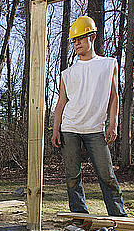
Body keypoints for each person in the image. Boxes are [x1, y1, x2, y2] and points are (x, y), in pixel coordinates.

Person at [51, 16, 127, 217]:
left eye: (80, 39)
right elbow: (61, 104)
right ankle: (79, 216)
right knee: (72, 177)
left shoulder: (108, 65)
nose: (76, 43)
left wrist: (113, 123)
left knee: (107, 175)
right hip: (70, 129)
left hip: (95, 130)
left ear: (92, 37)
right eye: (74, 40)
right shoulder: (67, 73)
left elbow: (113, 96)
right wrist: (55, 129)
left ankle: (119, 217)